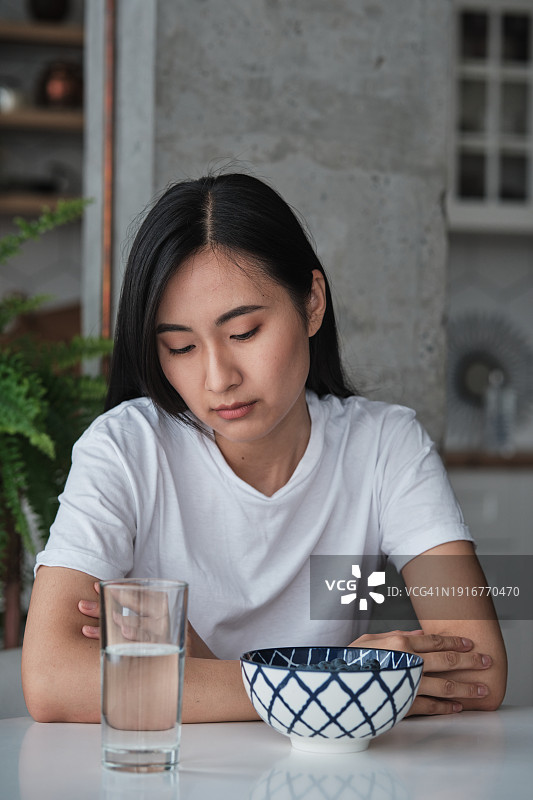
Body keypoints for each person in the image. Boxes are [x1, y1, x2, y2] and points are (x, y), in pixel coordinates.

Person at [21, 173, 507, 724]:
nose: (217, 378)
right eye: (180, 346)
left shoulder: (385, 447)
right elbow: (53, 678)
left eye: (245, 332)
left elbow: (477, 672)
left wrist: (187, 669)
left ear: (312, 304)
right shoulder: (124, 450)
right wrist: (332, 678)